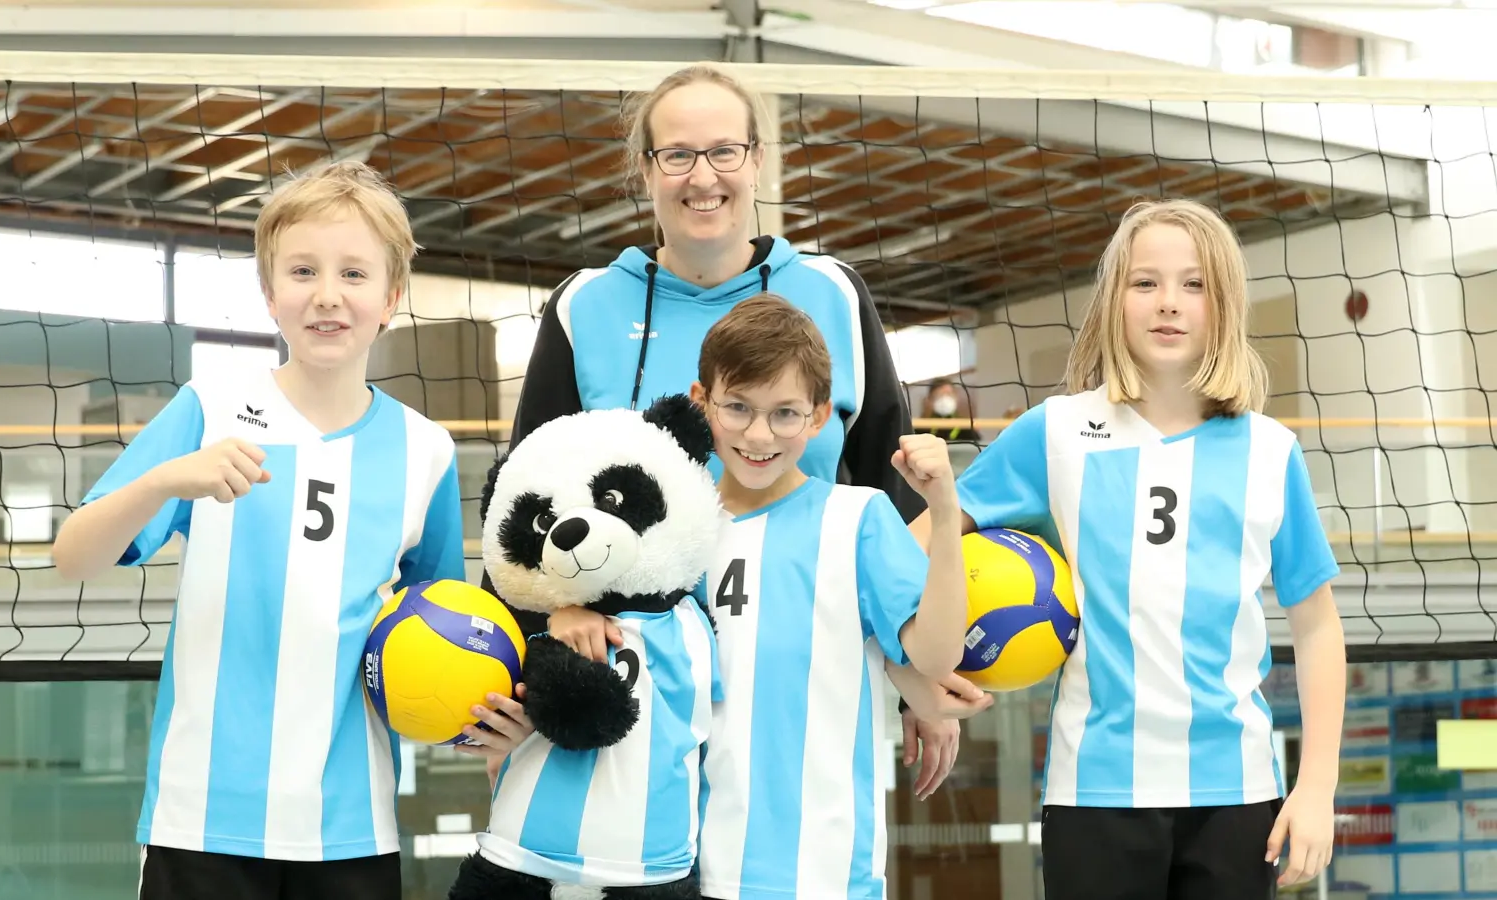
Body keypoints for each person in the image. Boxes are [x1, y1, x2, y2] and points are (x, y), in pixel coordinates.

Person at [51, 161, 533, 900]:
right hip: (202, 818)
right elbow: (71, 557)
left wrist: (486, 726)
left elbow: (444, 627)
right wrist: (165, 480)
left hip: (350, 827)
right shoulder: (207, 408)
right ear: (270, 293)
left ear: (391, 298)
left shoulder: (424, 449)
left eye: (353, 274)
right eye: (303, 271)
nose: (327, 295)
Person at [506, 62, 959, 794]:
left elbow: (894, 487)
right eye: (676, 155)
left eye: (724, 151)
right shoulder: (583, 304)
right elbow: (522, 495)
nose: (702, 176)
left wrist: (918, 677)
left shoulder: (834, 293)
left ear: (756, 160)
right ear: (646, 170)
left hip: (813, 672)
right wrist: (539, 663)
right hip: (631, 674)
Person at [912, 199, 1346, 899]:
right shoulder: (1054, 433)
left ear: (1225, 304)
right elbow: (918, 550)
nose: (1168, 303)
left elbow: (1318, 624)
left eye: (1193, 284)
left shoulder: (1271, 451)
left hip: (1237, 791)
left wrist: (1318, 784)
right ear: (1114, 300)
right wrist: (922, 676)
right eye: (1145, 283)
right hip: (1096, 791)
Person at [685, 294, 993, 900]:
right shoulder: (673, 532)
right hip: (682, 862)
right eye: (738, 408)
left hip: (822, 870)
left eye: (785, 414)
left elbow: (934, 658)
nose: (758, 433)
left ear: (821, 416)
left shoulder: (857, 520)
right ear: (703, 402)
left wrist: (944, 508)